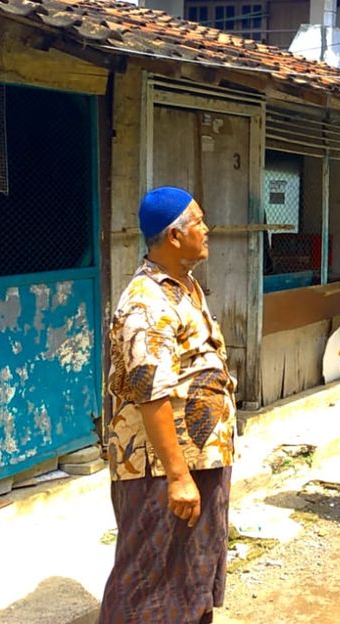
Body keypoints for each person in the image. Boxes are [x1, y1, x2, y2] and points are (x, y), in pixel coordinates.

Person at [100, 186, 237, 624]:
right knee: (147, 583)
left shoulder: (185, 286)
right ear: (174, 236)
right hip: (158, 469)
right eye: (199, 221)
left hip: (197, 460)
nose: (207, 229)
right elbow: (151, 390)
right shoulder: (146, 302)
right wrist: (178, 476)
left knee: (191, 573)